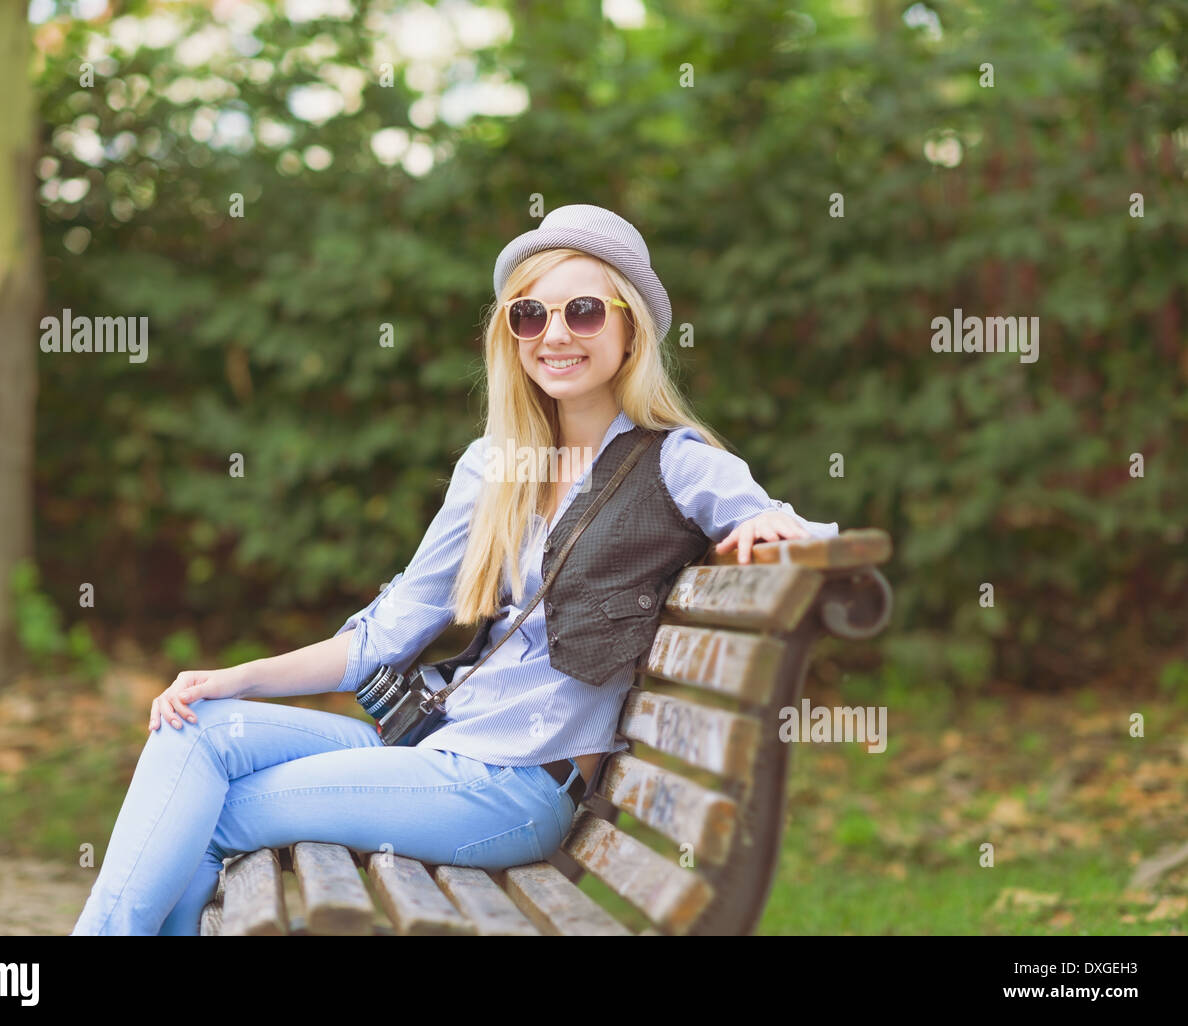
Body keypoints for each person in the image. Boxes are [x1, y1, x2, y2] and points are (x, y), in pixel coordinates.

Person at [71, 203, 837, 935]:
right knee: (195, 730)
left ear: (630, 329)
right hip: (436, 747)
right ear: (510, 333)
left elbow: (790, 529)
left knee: (209, 813)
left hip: (512, 788)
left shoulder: (675, 462)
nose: (555, 334)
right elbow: (386, 631)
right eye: (530, 314)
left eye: (584, 311)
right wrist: (231, 677)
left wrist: (775, 527)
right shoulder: (494, 467)